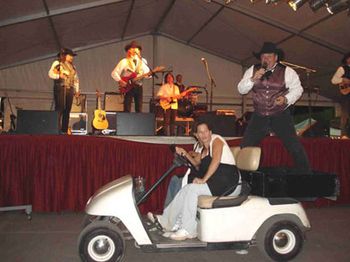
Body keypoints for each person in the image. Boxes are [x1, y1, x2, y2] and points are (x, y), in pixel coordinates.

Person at [148, 121, 239, 241]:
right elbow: (197, 165)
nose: (203, 134)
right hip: (217, 180)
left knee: (192, 189)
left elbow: (216, 160)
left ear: (210, 132)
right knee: (187, 188)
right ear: (197, 135)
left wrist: (203, 179)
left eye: (205, 131)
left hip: (228, 181)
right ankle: (166, 222)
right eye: (200, 132)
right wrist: (185, 154)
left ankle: (188, 230)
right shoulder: (203, 150)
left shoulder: (216, 140)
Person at [237, 42, 311, 174]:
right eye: (263, 56)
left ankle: (305, 176)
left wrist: (286, 99)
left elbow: (298, 89)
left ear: (276, 57)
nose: (266, 59)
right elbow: (241, 90)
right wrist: (253, 79)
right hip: (259, 115)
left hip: (280, 114)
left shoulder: (287, 71)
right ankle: (241, 177)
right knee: (246, 146)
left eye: (269, 56)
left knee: (293, 146)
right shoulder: (252, 70)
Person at [111, 41, 150, 112]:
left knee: (139, 107)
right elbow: (114, 73)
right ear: (128, 50)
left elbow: (147, 75)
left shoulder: (143, 61)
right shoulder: (124, 61)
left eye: (136, 48)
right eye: (132, 48)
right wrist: (120, 81)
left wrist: (149, 74)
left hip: (139, 86)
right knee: (127, 107)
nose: (135, 50)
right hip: (128, 86)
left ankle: (138, 122)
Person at [48, 48, 80, 134]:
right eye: (70, 55)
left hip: (70, 89)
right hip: (60, 87)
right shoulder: (58, 63)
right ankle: (55, 129)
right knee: (60, 108)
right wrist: (59, 76)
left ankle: (64, 130)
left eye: (72, 56)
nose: (72, 57)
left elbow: (76, 79)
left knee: (67, 110)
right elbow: (50, 74)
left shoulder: (73, 67)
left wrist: (77, 90)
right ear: (65, 55)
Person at [331, 52, 350, 139]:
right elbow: (334, 80)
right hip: (347, 94)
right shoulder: (342, 69)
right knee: (345, 114)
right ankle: (344, 134)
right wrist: (343, 79)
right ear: (346, 59)